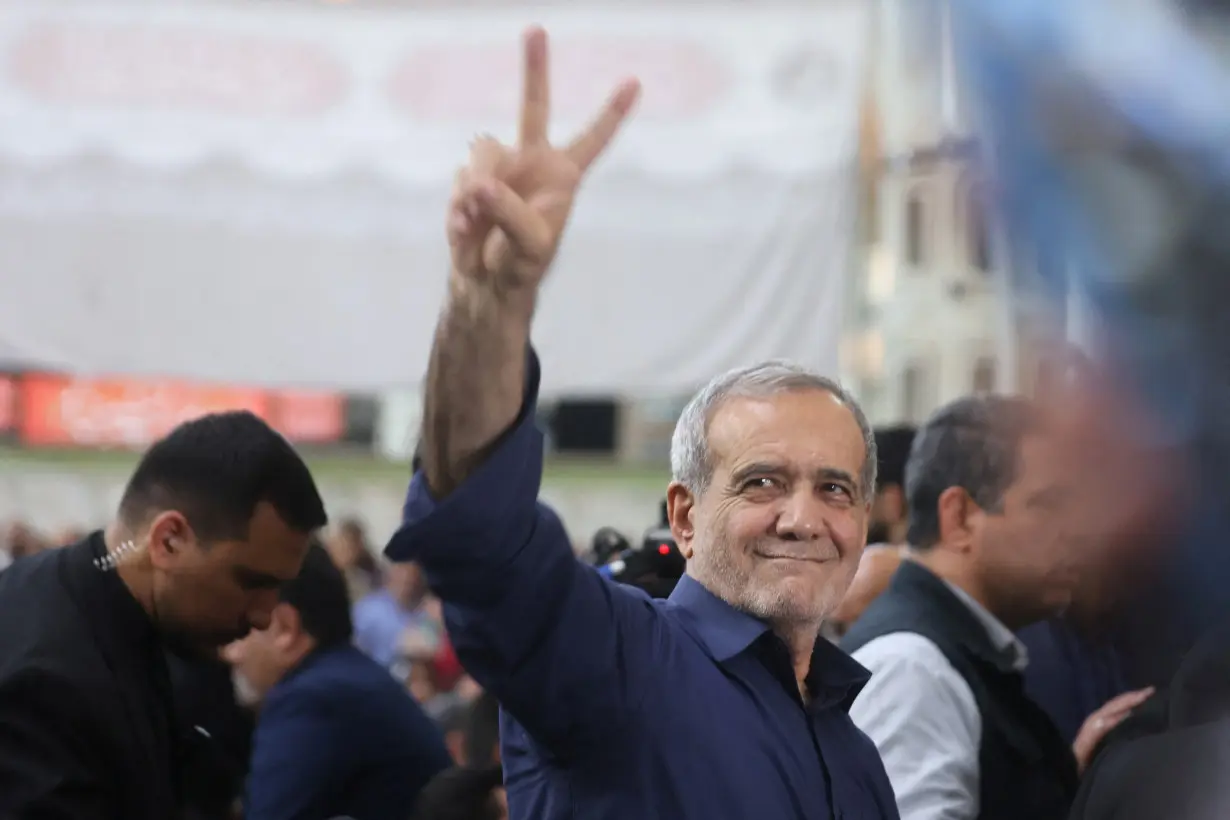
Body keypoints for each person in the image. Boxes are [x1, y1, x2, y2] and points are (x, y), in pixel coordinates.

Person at [385, 27, 896, 820]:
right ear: (685, 515)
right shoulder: (618, 661)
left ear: (862, 520)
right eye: (762, 481)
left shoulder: (857, 759)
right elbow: (481, 540)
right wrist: (492, 305)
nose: (802, 518)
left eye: (835, 489)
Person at [0, 411, 327, 820]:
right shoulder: (48, 684)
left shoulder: (121, 610)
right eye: (251, 582)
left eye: (277, 588)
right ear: (168, 541)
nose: (264, 615)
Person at [841, 396, 1153, 820]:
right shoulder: (912, 670)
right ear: (961, 516)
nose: (1079, 533)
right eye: (1049, 505)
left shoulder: (951, 655)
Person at [224, 541, 451, 820]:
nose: (230, 653)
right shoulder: (347, 678)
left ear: (286, 629)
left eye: (241, 630)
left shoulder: (311, 700)